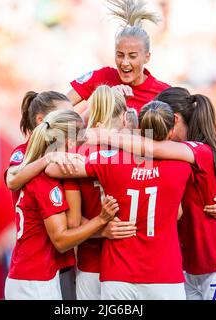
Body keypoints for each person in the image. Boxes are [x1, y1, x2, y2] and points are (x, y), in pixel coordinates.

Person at [86, 87, 216, 299]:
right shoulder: (171, 155)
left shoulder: (196, 150)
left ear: (174, 120)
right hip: (189, 269)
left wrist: (103, 135)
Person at [46, 101, 193, 300]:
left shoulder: (113, 160)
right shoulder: (183, 165)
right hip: (164, 274)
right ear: (172, 130)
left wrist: (69, 150)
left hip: (118, 272)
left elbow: (52, 169)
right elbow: (179, 213)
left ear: (140, 128)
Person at [5, 109, 119, 300]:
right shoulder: (45, 182)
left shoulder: (34, 170)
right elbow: (61, 241)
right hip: (35, 279)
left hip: (29, 273)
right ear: (70, 143)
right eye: (80, 139)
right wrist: (101, 221)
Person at [64, 85, 137, 300]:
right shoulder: (137, 151)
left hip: (91, 261)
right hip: (130, 260)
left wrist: (100, 230)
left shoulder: (75, 155)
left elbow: (72, 221)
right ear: (124, 117)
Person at [67, 0, 170, 115]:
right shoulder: (102, 77)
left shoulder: (163, 93)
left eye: (132, 56)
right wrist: (105, 100)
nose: (125, 62)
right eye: (120, 55)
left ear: (147, 57)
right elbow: (62, 104)